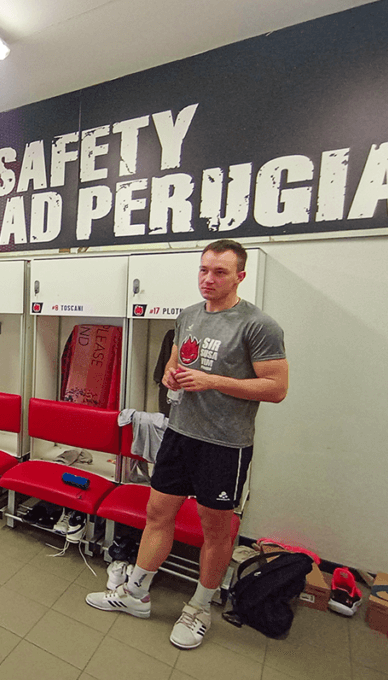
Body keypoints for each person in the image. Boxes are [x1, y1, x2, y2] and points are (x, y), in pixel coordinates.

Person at [86, 239, 289, 650]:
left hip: (224, 444)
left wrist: (214, 381)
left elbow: (277, 387)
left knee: (216, 530)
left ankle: (198, 608)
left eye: (219, 272)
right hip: (179, 434)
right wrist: (170, 376)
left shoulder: (258, 325)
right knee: (157, 513)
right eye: (203, 270)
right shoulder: (189, 315)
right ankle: (135, 593)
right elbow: (176, 364)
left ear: (240, 277)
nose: (208, 279)